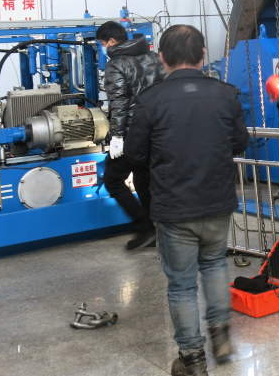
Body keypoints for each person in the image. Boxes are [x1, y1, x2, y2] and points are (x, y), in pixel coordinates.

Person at [125, 25, 249, 376]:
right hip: (217, 201)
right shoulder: (225, 94)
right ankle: (220, 334)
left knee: (181, 285)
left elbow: (135, 153)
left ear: (162, 58)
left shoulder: (151, 100)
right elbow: (240, 142)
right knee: (215, 265)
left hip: (174, 206)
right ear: (203, 56)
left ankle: (192, 360)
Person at [97, 20, 163, 250]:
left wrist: (117, 137)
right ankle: (156, 229)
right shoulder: (153, 57)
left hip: (133, 133)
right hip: (158, 130)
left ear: (111, 41)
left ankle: (144, 227)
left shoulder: (115, 64)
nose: (103, 48)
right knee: (144, 180)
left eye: (103, 43)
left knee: (113, 180)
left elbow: (119, 103)